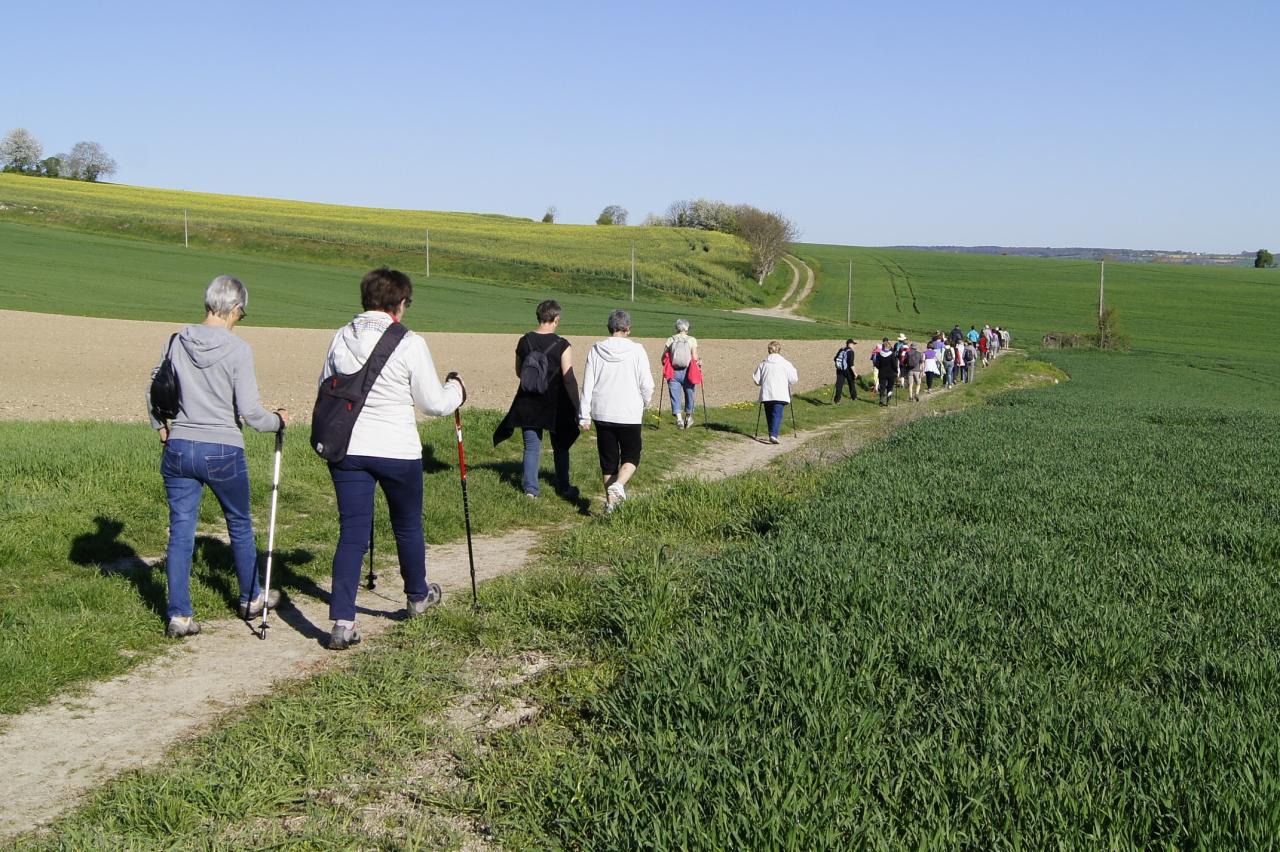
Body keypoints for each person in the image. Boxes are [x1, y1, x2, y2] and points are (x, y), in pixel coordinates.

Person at [319, 268, 466, 650]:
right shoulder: (409, 342)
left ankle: (342, 622)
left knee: (351, 533)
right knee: (407, 526)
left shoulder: (340, 337)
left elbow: (326, 388)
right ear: (399, 305)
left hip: (348, 448)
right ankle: (417, 597)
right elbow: (433, 403)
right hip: (398, 450)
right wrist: (457, 391)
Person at [148, 275, 287, 639]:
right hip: (223, 449)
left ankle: (179, 616)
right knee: (239, 524)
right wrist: (279, 421)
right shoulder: (238, 350)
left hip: (179, 447)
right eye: (243, 313)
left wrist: (160, 426)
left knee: (180, 532)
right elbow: (252, 413)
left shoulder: (176, 340)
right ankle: (251, 597)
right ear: (235, 309)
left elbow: (155, 387)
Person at [494, 299, 580, 500]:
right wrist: (577, 405)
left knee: (531, 447)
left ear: (539, 317)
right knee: (560, 446)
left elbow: (519, 372)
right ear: (556, 318)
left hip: (528, 401)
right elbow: (568, 379)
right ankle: (564, 487)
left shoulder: (524, 341)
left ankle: (531, 490)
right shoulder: (562, 345)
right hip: (555, 403)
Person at [579, 309, 654, 514]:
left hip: (602, 412)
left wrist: (584, 414)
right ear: (628, 328)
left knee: (608, 461)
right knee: (632, 455)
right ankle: (619, 485)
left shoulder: (596, 349)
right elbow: (647, 384)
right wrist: (644, 402)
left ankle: (611, 505)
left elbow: (587, 383)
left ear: (609, 327)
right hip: (629, 412)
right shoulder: (637, 350)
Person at [752, 340, 799, 443]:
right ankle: (773, 435)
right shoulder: (786, 363)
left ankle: (772, 434)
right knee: (777, 414)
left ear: (768, 351)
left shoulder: (763, 364)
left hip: (767, 393)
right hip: (780, 393)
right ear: (779, 350)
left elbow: (756, 380)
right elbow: (793, 379)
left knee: (769, 414)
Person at [664, 319, 700, 428]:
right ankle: (688, 417)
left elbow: (663, 357)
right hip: (688, 371)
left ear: (677, 328)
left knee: (675, 395)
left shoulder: (671, 339)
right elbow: (694, 357)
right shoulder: (692, 340)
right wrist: (699, 362)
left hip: (673, 371)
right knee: (690, 393)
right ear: (687, 329)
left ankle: (679, 420)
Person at [872, 336, 899, 406]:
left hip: (882, 373)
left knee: (882, 387)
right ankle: (888, 400)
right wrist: (896, 371)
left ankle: (881, 399)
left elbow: (876, 364)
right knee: (890, 387)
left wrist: (880, 367)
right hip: (891, 373)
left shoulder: (879, 354)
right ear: (889, 347)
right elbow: (894, 364)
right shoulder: (892, 354)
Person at [832, 338, 858, 403]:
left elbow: (835, 358)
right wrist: (855, 373)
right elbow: (851, 364)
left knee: (839, 385)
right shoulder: (851, 352)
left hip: (839, 369)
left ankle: (837, 400)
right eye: (853, 344)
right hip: (848, 370)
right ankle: (854, 398)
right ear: (850, 344)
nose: (854, 345)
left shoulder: (841, 349)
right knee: (851, 383)